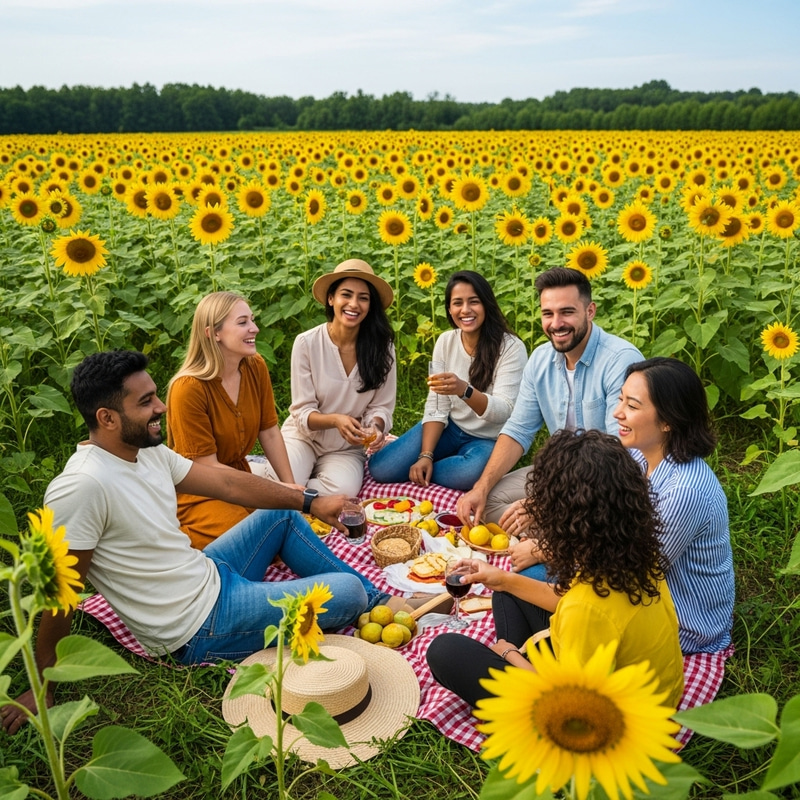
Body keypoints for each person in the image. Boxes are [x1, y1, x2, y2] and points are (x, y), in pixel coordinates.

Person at [0, 351, 404, 736]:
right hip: (195, 627)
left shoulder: (144, 451)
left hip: (209, 572)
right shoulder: (82, 487)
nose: (161, 407)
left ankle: (380, 601)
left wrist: (313, 502)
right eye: (146, 402)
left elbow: (227, 482)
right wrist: (42, 684)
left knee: (280, 513)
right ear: (107, 417)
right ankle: (366, 598)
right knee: (345, 591)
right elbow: (61, 592)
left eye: (156, 394)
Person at [427, 429, 684, 710]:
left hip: (608, 724)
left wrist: (512, 655)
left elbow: (572, 704)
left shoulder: (584, 611)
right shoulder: (627, 554)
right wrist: (500, 578)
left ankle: (509, 672)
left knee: (445, 651)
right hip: (645, 691)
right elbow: (568, 597)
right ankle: (511, 655)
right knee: (508, 588)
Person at [457, 266, 642, 528]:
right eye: (548, 313)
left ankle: (554, 544)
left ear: (590, 311)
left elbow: (622, 455)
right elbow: (518, 429)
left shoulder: (620, 361)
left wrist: (546, 505)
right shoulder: (541, 359)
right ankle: (555, 537)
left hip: (608, 483)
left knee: (593, 518)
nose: (556, 324)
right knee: (487, 504)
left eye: (567, 312)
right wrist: (481, 487)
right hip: (559, 472)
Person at [612, 357, 734, 654]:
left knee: (535, 591)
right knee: (521, 589)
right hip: (647, 592)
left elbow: (631, 574)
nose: (618, 413)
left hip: (683, 625)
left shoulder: (684, 491)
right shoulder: (642, 457)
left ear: (668, 421)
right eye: (621, 400)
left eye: (632, 406)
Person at [368, 271, 527, 491]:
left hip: (489, 439)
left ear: (487, 304)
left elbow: (504, 411)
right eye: (457, 303)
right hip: (451, 427)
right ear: (450, 310)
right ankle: (430, 462)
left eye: (474, 302)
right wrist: (425, 454)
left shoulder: (511, 348)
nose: (465, 310)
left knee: (465, 475)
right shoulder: (445, 341)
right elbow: (436, 405)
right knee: (380, 469)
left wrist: (464, 390)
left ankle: (438, 468)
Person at [167, 291, 298, 549]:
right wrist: (275, 493)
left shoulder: (255, 365)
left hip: (240, 479)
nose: (255, 328)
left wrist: (288, 488)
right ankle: (175, 537)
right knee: (258, 538)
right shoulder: (188, 389)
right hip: (199, 492)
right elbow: (207, 467)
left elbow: (269, 431)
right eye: (243, 322)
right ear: (213, 333)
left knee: (286, 528)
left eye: (252, 319)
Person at [281, 259, 396, 497]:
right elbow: (302, 412)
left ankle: (290, 492)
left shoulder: (383, 348)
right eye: (346, 294)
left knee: (343, 493)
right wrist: (335, 420)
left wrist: (375, 427)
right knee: (287, 479)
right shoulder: (306, 343)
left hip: (346, 447)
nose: (354, 304)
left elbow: (382, 406)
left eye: (363, 298)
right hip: (303, 437)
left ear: (370, 305)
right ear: (331, 299)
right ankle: (280, 484)